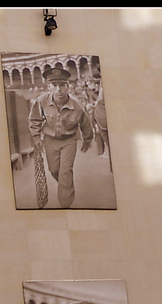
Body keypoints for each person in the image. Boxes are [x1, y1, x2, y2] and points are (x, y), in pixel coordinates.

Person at [29, 67, 94, 208]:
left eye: (62, 85)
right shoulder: (41, 101)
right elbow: (34, 119)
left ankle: (65, 205)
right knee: (54, 170)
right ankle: (66, 185)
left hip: (68, 141)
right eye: (55, 85)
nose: (59, 89)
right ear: (49, 87)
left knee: (65, 171)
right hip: (50, 140)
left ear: (67, 87)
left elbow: (86, 124)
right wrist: (36, 137)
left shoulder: (77, 106)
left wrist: (87, 140)